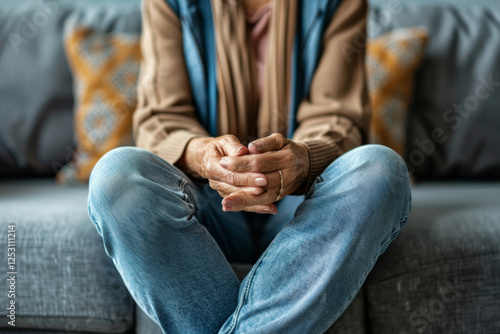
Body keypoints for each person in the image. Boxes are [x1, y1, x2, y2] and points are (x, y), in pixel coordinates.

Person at [87, 0, 412, 332]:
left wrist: (300, 160)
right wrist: (202, 155)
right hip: (205, 205)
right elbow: (160, 115)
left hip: (305, 208)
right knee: (116, 175)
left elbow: (338, 115)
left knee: (380, 169)